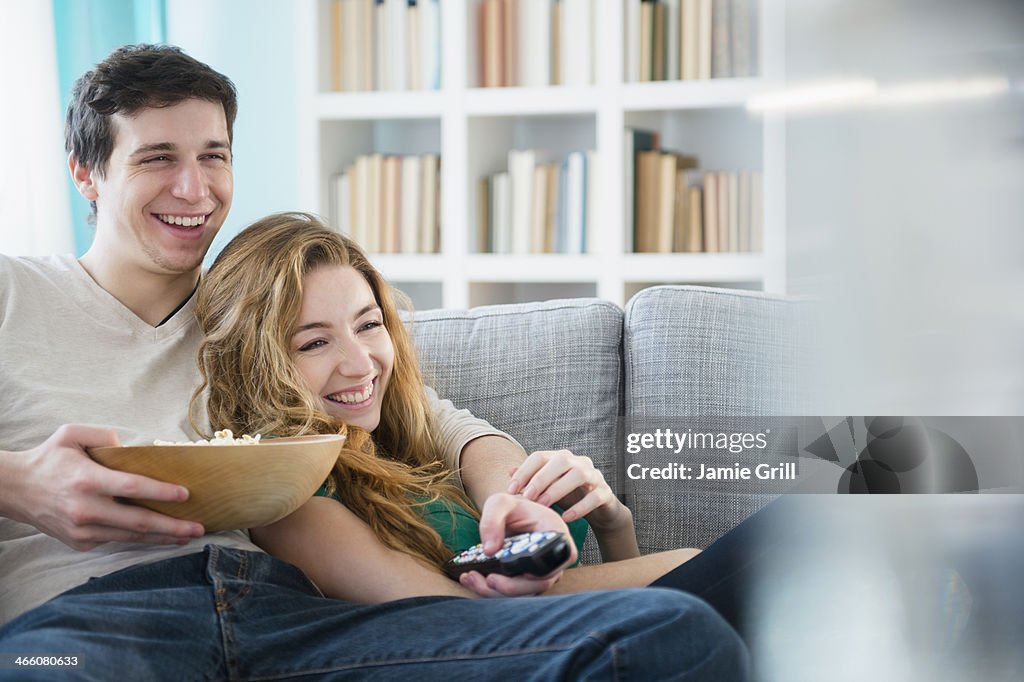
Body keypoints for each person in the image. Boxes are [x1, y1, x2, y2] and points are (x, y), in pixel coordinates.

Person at [0, 44, 748, 679]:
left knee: (670, 632)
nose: (194, 189)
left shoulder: (257, 310)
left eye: (214, 157)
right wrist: (20, 482)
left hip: (286, 613)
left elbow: (444, 425)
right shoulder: (13, 293)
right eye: (157, 158)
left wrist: (503, 501)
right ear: (86, 173)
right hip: (93, 621)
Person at [192, 211, 702, 600]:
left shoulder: (394, 432)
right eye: (313, 343)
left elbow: (469, 438)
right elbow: (451, 614)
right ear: (256, 362)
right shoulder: (283, 480)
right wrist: (675, 568)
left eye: (369, 325)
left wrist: (616, 524)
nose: (360, 364)